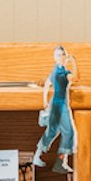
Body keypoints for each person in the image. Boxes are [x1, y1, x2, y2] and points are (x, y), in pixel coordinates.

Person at [35, 44, 77, 172]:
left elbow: (47, 84)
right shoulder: (60, 72)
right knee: (68, 132)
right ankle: (60, 162)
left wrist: (45, 101)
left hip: (57, 103)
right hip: (60, 105)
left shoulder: (58, 70)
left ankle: (39, 156)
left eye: (63, 54)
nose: (62, 57)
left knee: (53, 131)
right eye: (59, 55)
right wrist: (74, 62)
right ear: (55, 57)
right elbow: (76, 78)